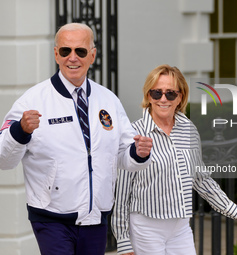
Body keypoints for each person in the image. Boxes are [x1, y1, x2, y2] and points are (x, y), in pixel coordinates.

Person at [0, 23, 152, 255]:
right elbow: (4, 160)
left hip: (96, 218)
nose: (73, 58)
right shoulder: (31, 101)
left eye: (80, 51)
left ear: (92, 55)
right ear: (56, 54)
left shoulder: (108, 100)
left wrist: (138, 153)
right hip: (51, 218)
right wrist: (20, 131)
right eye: (65, 51)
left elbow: (122, 156)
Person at [112, 64, 237, 255]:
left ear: (180, 97)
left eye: (170, 93)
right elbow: (121, 193)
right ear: (148, 96)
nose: (163, 99)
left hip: (180, 227)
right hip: (146, 227)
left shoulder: (189, 131)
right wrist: (123, 241)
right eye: (157, 93)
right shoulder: (134, 133)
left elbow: (201, 180)